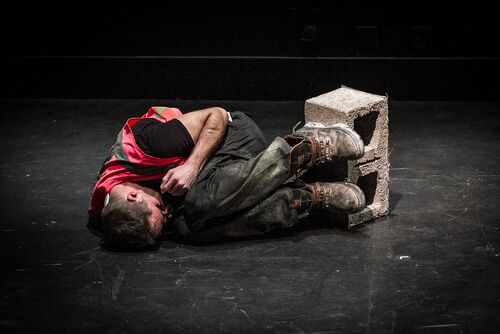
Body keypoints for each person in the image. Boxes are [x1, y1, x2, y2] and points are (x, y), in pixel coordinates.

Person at [87, 106, 366, 250]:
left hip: (231, 137)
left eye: (160, 209)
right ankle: (305, 197)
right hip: (219, 175)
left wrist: (192, 166)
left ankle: (308, 146)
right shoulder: (113, 214)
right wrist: (170, 215)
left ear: (134, 194)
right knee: (185, 229)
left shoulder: (151, 144)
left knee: (198, 202)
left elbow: (217, 115)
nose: (166, 211)